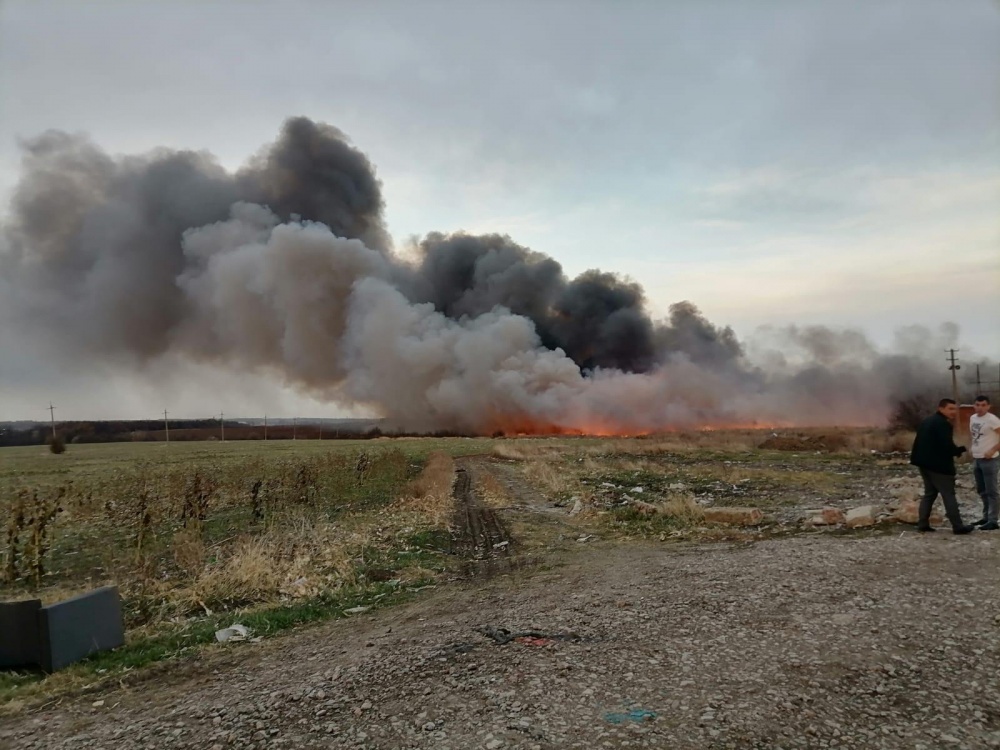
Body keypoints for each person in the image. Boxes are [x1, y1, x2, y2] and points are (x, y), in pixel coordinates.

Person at [909, 398, 974, 534]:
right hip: (938, 466)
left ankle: (923, 524)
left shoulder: (927, 421)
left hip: (924, 464)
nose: (954, 412)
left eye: (955, 409)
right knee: (948, 495)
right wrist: (959, 450)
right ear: (941, 408)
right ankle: (958, 526)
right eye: (950, 409)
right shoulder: (942, 424)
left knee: (929, 494)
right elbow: (946, 446)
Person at [970, 395, 1000, 530]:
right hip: (977, 458)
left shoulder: (992, 420)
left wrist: (992, 450)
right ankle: (986, 517)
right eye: (977, 405)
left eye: (983, 405)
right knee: (982, 490)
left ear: (988, 406)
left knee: (991, 490)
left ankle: (993, 520)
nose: (980, 408)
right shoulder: (973, 418)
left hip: (989, 459)